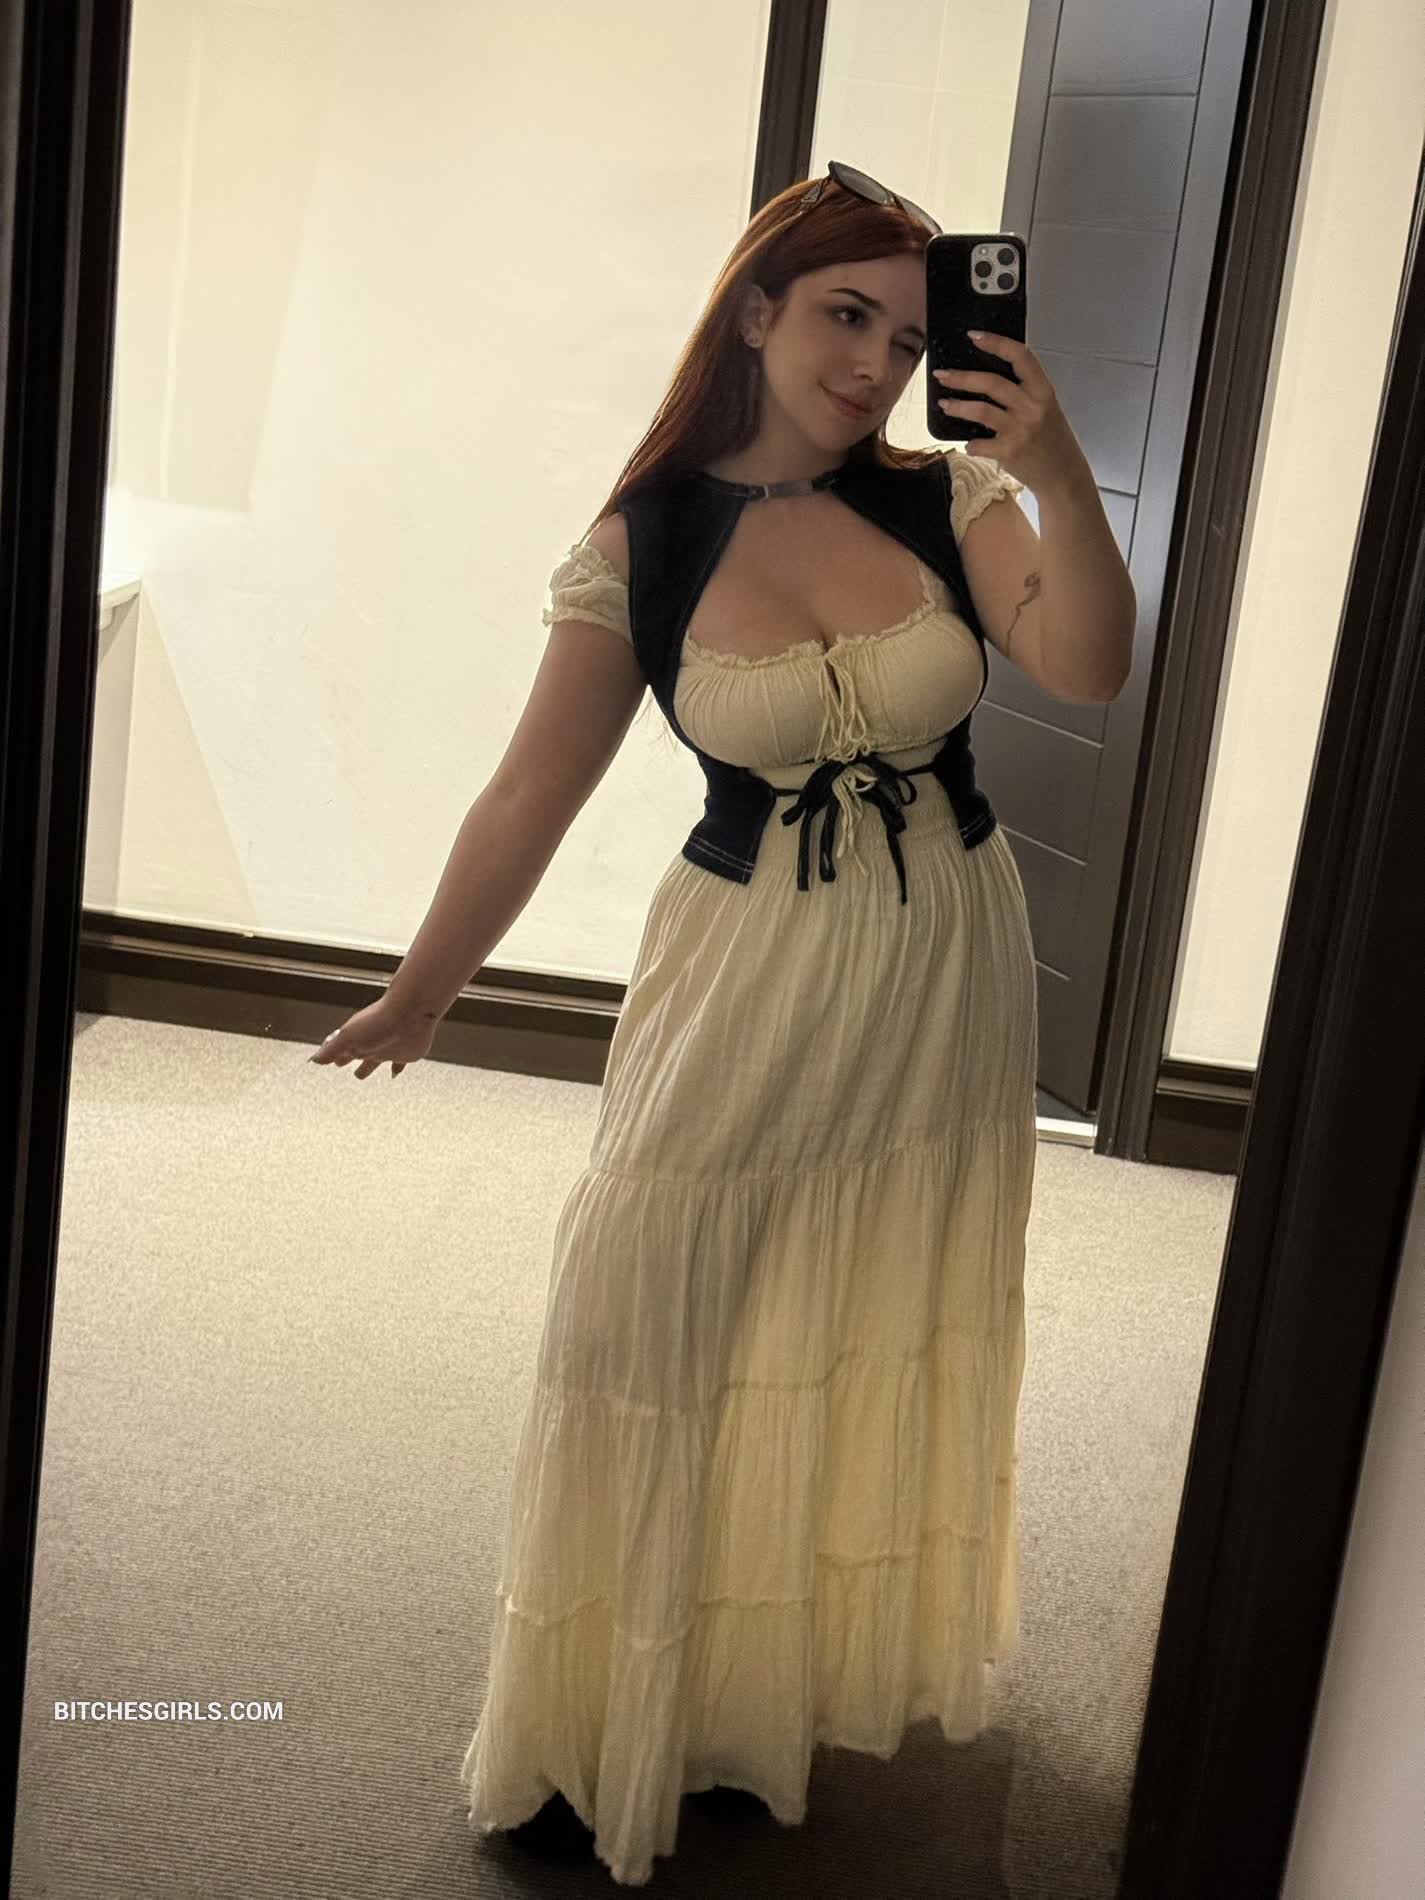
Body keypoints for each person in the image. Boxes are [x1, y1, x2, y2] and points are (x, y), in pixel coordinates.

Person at [310, 163, 1135, 1888]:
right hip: (749, 960)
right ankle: (602, 1707)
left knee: (863, 1293)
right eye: (843, 314)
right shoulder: (648, 543)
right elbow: (528, 790)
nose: (872, 364)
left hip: (941, 953)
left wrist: (1059, 469)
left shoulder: (950, 497)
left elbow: (1085, 666)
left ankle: (771, 1692)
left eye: (904, 335)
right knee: (647, 1302)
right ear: (756, 308)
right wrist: (426, 986)